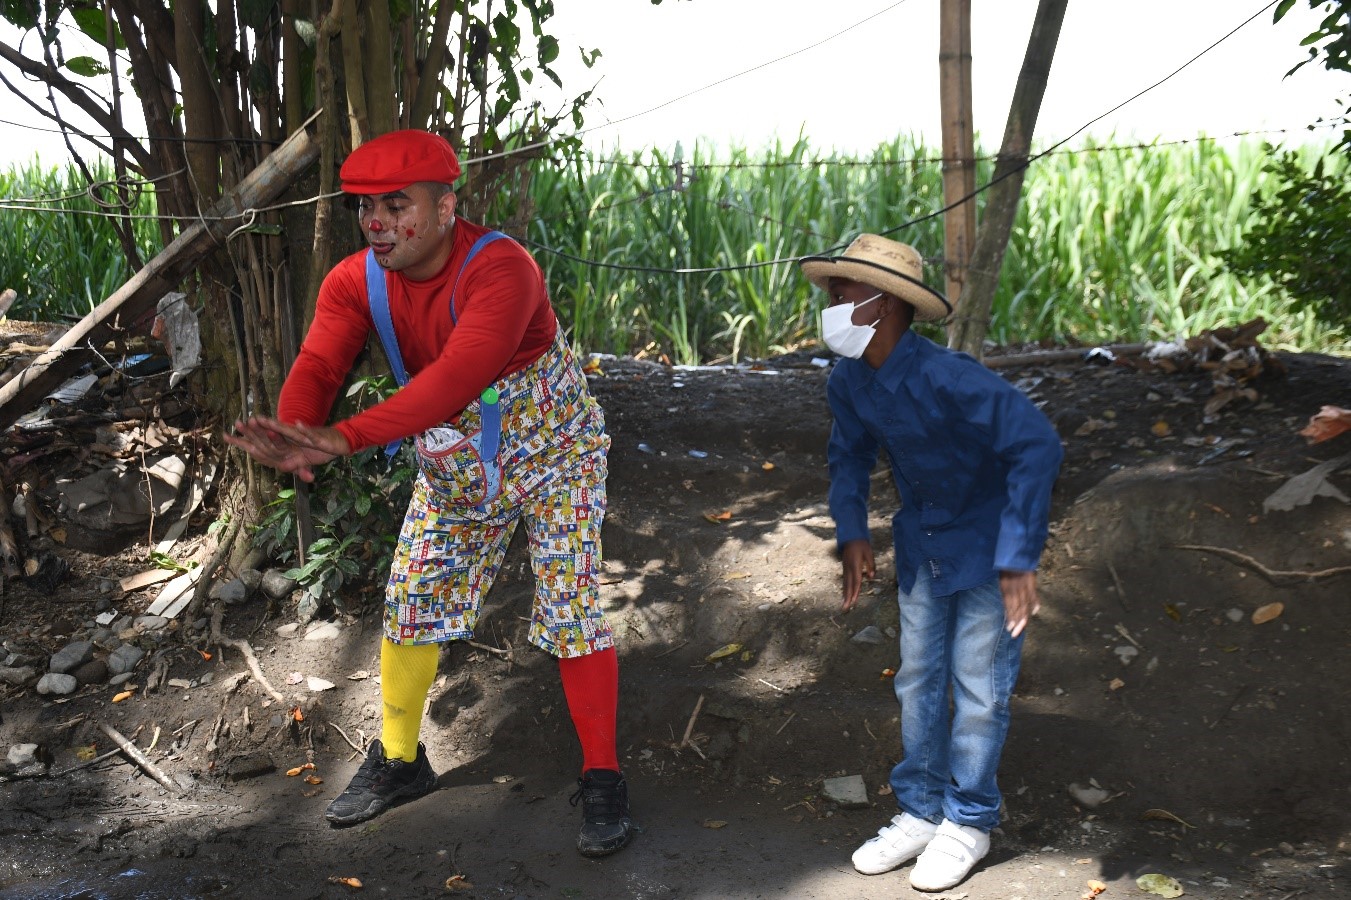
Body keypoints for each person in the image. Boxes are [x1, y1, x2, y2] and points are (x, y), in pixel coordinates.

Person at [224, 129, 633, 858]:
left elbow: (454, 379)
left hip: (554, 456)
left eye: (396, 204)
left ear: (447, 207)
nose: (376, 221)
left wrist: (345, 436)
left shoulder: (503, 269)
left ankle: (603, 777)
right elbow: (320, 360)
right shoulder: (355, 280)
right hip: (456, 465)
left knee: (570, 606)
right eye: (365, 207)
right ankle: (401, 762)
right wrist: (295, 427)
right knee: (411, 600)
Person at [798, 234, 1062, 891]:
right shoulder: (848, 380)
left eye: (842, 289)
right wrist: (852, 531)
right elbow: (849, 456)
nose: (829, 299)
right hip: (922, 549)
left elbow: (1037, 445)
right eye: (831, 287)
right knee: (917, 678)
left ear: (882, 305)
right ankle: (921, 809)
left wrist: (1019, 556)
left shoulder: (952, 376)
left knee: (978, 687)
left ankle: (969, 820)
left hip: (986, 552)